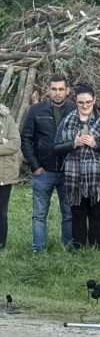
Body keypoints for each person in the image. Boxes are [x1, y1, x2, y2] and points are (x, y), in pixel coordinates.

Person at [53, 85, 100, 249]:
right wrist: (73, 144)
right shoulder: (66, 121)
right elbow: (56, 148)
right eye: (81, 102)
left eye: (88, 102)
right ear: (75, 101)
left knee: (96, 213)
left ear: (94, 100)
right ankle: (79, 248)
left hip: (99, 176)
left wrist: (96, 144)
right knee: (77, 214)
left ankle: (96, 247)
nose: (85, 105)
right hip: (73, 176)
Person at [20, 74, 73, 251]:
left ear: (67, 91)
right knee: (39, 214)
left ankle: (68, 248)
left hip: (68, 171)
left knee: (69, 213)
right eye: (54, 89)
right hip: (43, 171)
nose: (57, 93)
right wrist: (34, 166)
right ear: (48, 90)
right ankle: (38, 249)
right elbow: (25, 138)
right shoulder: (35, 110)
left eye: (61, 89)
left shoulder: (74, 110)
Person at [0, 102, 21, 249]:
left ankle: (1, 245)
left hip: (4, 174)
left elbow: (15, 143)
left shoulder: (7, 117)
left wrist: (6, 142)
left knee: (1, 212)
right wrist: (3, 141)